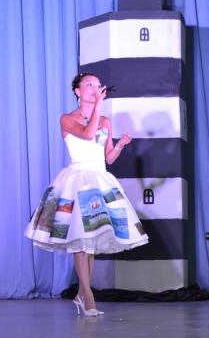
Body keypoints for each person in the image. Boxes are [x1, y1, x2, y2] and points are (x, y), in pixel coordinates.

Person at [25, 72, 149, 316]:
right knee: (79, 239)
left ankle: (82, 294)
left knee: (89, 241)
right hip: (77, 180)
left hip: (99, 178)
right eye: (89, 85)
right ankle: (88, 295)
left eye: (97, 84)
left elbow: (108, 158)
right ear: (77, 92)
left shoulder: (105, 121)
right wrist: (98, 107)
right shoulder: (67, 119)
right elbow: (87, 134)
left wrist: (120, 144)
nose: (94, 88)